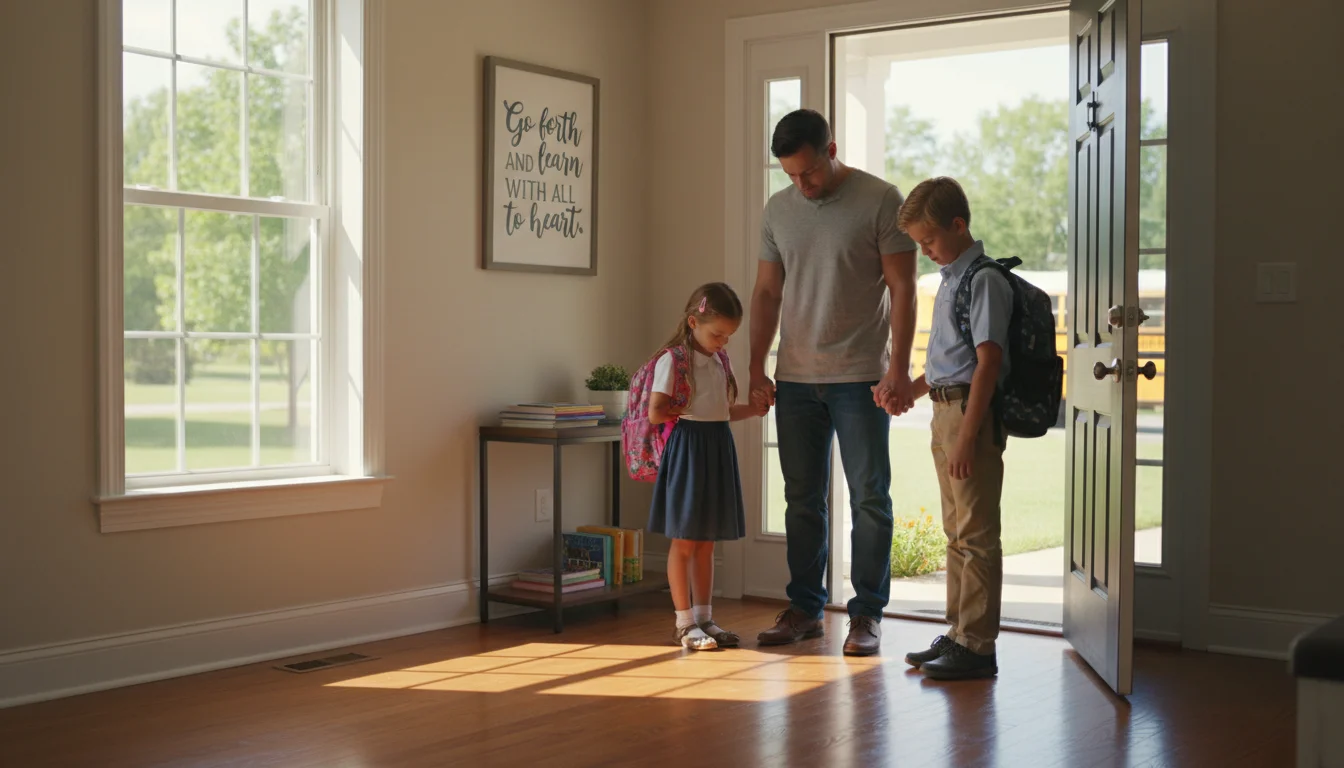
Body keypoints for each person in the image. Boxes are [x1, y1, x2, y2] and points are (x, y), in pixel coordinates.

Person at [750, 109, 918, 657]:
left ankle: (866, 614)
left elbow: (903, 287)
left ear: (832, 149)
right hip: (795, 377)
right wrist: (756, 366)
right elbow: (767, 294)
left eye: (809, 173)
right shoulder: (778, 210)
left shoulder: (880, 200)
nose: (802, 185)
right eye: (790, 175)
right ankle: (804, 608)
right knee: (801, 498)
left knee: (870, 497)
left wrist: (898, 368)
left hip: (861, 377)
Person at [892, 177, 1011, 680]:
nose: (925, 251)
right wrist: (911, 392)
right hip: (944, 410)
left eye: (929, 241)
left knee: (977, 533)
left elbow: (986, 364)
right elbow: (948, 364)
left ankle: (978, 646)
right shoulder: (950, 280)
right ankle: (959, 633)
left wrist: (966, 434)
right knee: (955, 532)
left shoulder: (984, 281)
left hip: (969, 416)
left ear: (958, 226)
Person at [646, 282, 769, 650]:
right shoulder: (674, 360)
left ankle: (704, 617)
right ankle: (684, 623)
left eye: (729, 336)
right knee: (685, 540)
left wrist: (755, 409)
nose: (723, 342)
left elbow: (722, 411)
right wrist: (687, 410)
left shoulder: (718, 360)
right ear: (693, 322)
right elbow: (655, 412)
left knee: (706, 542)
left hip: (717, 446)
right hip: (689, 449)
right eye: (718, 334)